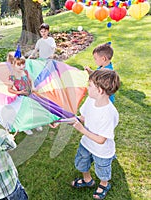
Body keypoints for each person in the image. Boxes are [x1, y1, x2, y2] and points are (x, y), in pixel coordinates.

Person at [51, 70, 120, 200]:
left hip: (102, 151)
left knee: (102, 171)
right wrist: (60, 121)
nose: (86, 87)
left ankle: (104, 184)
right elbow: (82, 118)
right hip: (86, 144)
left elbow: (101, 140)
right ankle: (87, 180)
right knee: (82, 162)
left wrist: (82, 130)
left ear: (99, 90)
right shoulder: (90, 100)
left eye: (90, 85)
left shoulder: (109, 113)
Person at [7, 56, 43, 135]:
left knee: (34, 109)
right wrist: (19, 92)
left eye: (23, 64)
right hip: (22, 97)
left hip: (30, 94)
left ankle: (36, 123)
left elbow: (30, 80)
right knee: (26, 112)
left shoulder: (25, 72)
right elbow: (9, 89)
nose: (22, 66)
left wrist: (33, 87)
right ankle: (26, 127)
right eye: (19, 65)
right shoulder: (12, 76)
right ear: (13, 65)